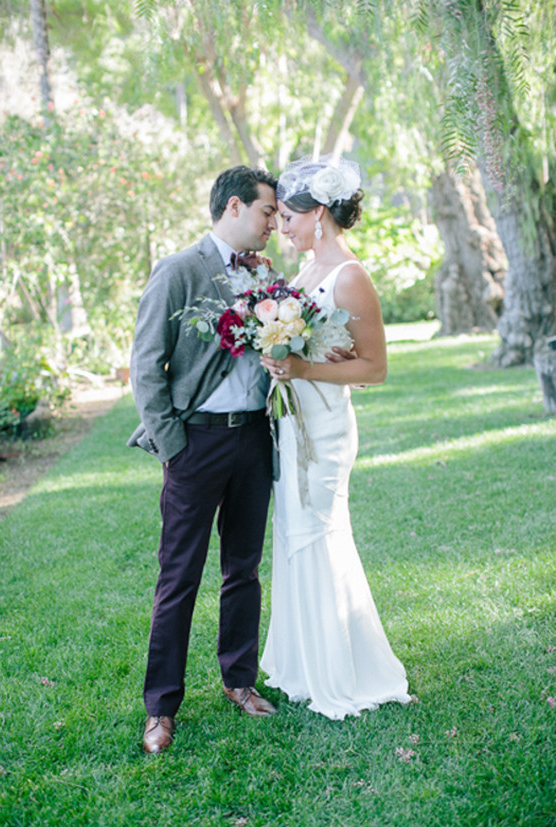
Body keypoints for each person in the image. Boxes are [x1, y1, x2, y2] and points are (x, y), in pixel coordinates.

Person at [128, 165, 280, 754]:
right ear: (234, 206)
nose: (274, 223)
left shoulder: (267, 276)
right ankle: (161, 707)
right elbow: (147, 365)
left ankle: (239, 680)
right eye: (268, 211)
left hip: (253, 440)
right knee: (179, 577)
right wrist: (173, 445)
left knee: (243, 568)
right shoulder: (178, 270)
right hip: (196, 443)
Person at [260, 155, 411, 720]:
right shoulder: (305, 273)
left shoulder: (349, 276)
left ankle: (345, 672)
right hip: (293, 423)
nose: (282, 227)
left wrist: (302, 369)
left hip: (324, 431)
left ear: (318, 213)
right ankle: (305, 665)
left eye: (289, 217)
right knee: (294, 534)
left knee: (318, 535)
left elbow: (375, 368)